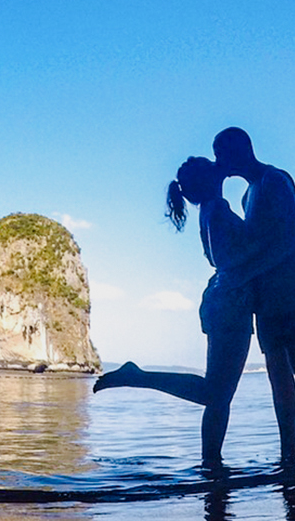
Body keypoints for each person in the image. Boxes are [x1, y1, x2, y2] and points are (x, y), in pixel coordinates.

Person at [93, 157, 254, 467]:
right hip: (230, 301)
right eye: (213, 165)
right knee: (216, 394)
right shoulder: (217, 209)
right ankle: (138, 377)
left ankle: (212, 462)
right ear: (208, 179)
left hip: (225, 300)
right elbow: (230, 257)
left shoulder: (210, 209)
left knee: (219, 397)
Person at [212, 127, 295, 470]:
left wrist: (245, 274)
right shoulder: (248, 196)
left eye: (222, 154)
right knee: (277, 374)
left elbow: (292, 237)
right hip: (267, 297)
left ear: (240, 150)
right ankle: (288, 455)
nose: (220, 162)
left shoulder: (275, 179)